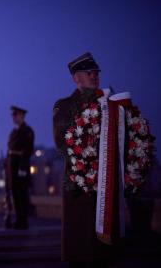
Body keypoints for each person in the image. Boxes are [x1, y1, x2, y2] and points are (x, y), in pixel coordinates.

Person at [53, 52, 117, 267]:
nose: (95, 76)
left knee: (103, 250)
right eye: (89, 72)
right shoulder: (64, 106)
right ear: (76, 78)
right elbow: (61, 144)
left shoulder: (109, 104)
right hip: (78, 183)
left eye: (96, 72)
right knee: (80, 246)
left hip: (106, 183)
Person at [4, 106, 34, 229]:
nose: (13, 118)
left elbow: (27, 151)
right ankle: (18, 219)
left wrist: (22, 167)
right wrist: (6, 165)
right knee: (15, 193)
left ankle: (23, 220)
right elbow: (10, 151)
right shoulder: (13, 132)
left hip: (20, 166)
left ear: (22, 116)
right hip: (12, 166)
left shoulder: (27, 131)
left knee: (21, 194)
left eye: (15, 115)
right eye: (13, 116)